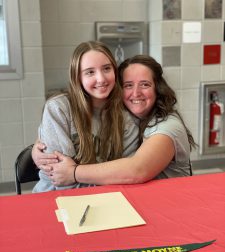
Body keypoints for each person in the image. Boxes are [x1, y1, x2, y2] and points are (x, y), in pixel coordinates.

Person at [33, 54, 196, 187]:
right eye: (128, 85)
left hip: (172, 205)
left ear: (158, 88)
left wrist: (73, 173)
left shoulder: (168, 125)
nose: (136, 93)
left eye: (145, 84)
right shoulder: (126, 116)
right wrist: (37, 147)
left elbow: (137, 170)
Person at [32, 41, 139, 192]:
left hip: (106, 198)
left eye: (106, 69)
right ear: (77, 77)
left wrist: (76, 173)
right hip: (54, 198)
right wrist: (108, 176)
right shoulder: (58, 108)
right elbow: (61, 177)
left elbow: (125, 174)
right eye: (90, 72)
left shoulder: (125, 117)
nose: (101, 79)